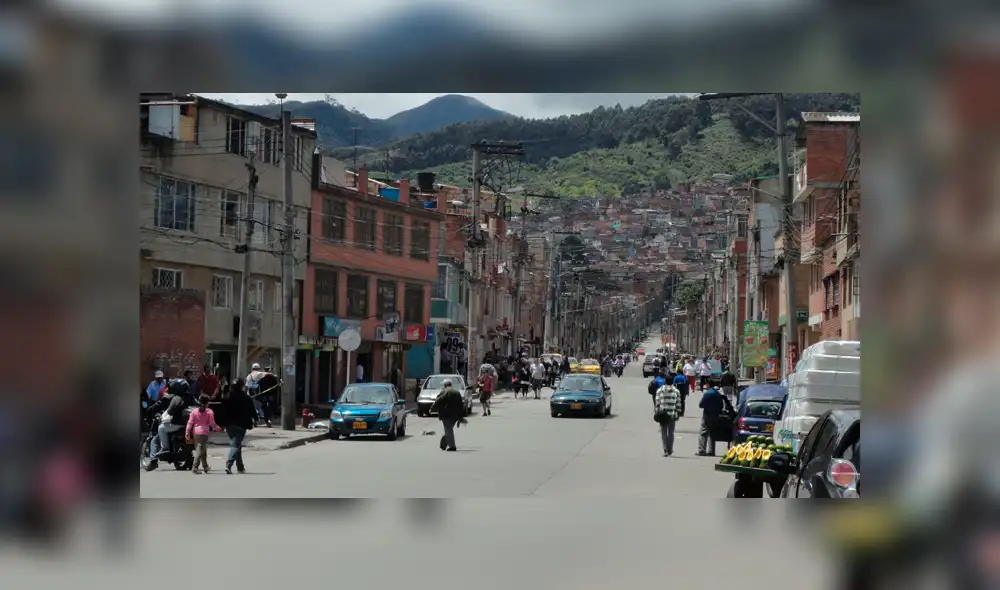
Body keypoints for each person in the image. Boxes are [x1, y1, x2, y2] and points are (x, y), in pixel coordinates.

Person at [147, 379, 195, 459]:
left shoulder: (172, 397)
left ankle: (165, 448)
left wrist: (149, 410)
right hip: (189, 424)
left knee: (161, 428)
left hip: (177, 423)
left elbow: (161, 408)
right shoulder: (190, 397)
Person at [221, 378, 256, 474]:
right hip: (241, 425)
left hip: (229, 425)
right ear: (241, 386)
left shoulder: (227, 396)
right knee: (235, 444)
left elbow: (222, 408)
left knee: (237, 444)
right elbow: (252, 411)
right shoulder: (246, 397)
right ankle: (228, 464)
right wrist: (256, 419)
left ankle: (240, 467)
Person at [185, 394, 223, 474]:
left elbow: (189, 423)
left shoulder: (194, 411)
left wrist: (187, 432)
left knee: (203, 450)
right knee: (200, 450)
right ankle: (195, 467)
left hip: (195, 433)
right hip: (204, 434)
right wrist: (219, 429)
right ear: (207, 403)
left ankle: (205, 467)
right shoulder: (209, 412)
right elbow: (212, 424)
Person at [430, 379, 465, 451]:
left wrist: (432, 409)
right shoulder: (457, 392)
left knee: (448, 429)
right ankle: (443, 444)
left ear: (445, 385)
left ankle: (452, 446)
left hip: (446, 414)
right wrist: (460, 416)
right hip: (455, 415)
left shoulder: (445, 391)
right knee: (448, 429)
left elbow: (438, 401)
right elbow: (461, 405)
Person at [697, 385, 728, 457]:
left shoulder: (707, 394)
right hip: (716, 416)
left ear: (709, 385)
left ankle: (702, 450)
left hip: (707, 415)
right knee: (712, 433)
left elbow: (701, 405)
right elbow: (721, 406)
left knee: (703, 433)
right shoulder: (718, 394)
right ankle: (711, 451)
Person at [653, 378, 682, 457]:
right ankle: (670, 449)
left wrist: (657, 412)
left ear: (665, 382)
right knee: (671, 433)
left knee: (664, 433)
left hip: (663, 415)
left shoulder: (659, 390)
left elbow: (657, 403)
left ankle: (666, 450)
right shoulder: (676, 391)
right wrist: (678, 413)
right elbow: (678, 404)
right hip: (672, 414)